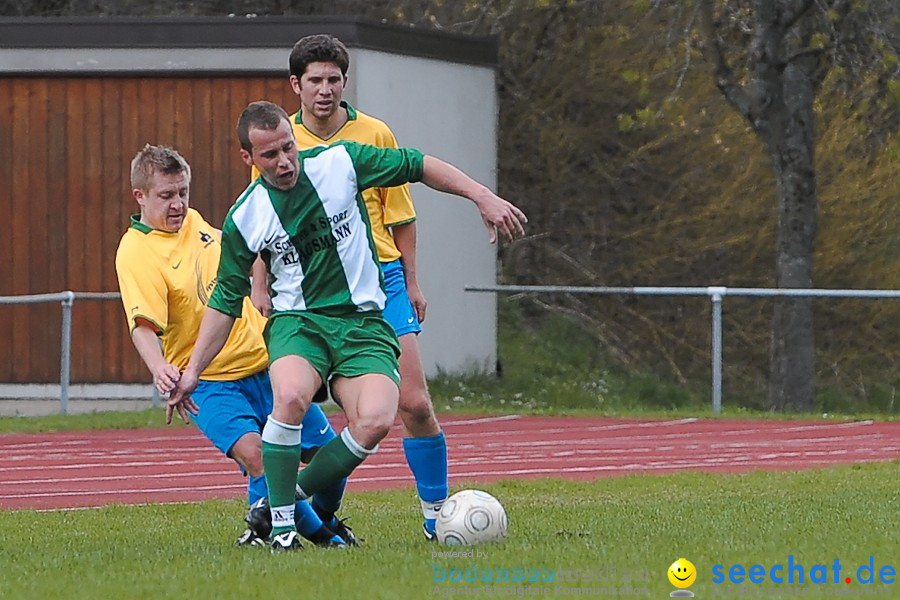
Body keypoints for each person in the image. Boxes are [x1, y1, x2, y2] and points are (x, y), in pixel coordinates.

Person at [168, 101, 526, 552]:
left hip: (361, 324)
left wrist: (481, 195)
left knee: (376, 420)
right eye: (270, 156)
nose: (284, 163)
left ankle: (289, 496)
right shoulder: (246, 217)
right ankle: (282, 532)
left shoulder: (340, 162)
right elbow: (224, 302)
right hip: (300, 325)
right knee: (291, 395)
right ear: (248, 159)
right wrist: (194, 371)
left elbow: (418, 165)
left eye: (288, 149)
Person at [247, 33, 452, 540]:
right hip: (309, 293)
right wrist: (259, 284)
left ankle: (437, 516)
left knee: (415, 404)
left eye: (333, 79)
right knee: (298, 402)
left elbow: (399, 213)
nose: (324, 89)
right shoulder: (278, 138)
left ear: (344, 82)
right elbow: (255, 223)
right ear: (296, 85)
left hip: (378, 279)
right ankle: (299, 514)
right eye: (313, 80)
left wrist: (412, 280)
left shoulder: (373, 133)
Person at [114, 144, 353, 549]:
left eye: (183, 192)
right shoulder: (136, 252)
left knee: (332, 461)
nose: (178, 205)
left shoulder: (200, 225)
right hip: (210, 382)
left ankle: (289, 524)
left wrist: (260, 288)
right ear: (140, 196)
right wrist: (159, 368)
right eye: (166, 196)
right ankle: (321, 540)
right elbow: (142, 325)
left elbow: (250, 247)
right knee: (258, 455)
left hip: (267, 365)